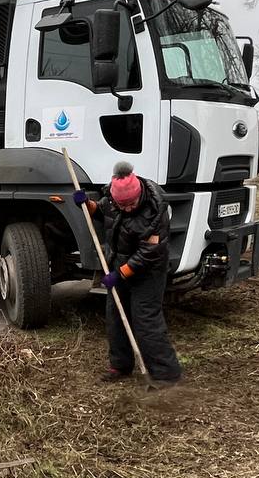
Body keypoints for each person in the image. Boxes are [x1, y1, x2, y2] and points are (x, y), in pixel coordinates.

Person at [73, 161, 182, 386]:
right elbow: (104, 212)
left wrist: (120, 273)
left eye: (131, 204)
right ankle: (120, 366)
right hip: (120, 267)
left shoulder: (154, 210)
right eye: (123, 205)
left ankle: (165, 375)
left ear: (139, 194)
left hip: (148, 272)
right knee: (116, 317)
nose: (127, 208)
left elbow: (149, 252)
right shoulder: (114, 201)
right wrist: (88, 205)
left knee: (146, 321)